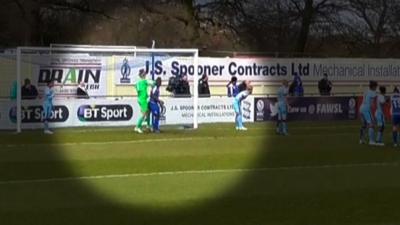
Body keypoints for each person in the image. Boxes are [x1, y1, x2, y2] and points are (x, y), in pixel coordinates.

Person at [134, 69, 155, 134]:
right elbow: (153, 83)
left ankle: (148, 125)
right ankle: (137, 127)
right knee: (144, 114)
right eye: (144, 73)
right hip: (143, 100)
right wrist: (153, 85)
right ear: (142, 75)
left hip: (140, 99)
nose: (145, 74)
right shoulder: (144, 81)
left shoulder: (137, 82)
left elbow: (138, 90)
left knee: (148, 111)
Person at [360, 80, 378, 145]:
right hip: (367, 109)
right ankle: (371, 141)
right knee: (371, 124)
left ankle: (361, 140)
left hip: (361, 108)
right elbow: (373, 104)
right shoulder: (374, 92)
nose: (376, 87)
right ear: (373, 86)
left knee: (364, 125)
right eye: (376, 86)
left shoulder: (366, 91)